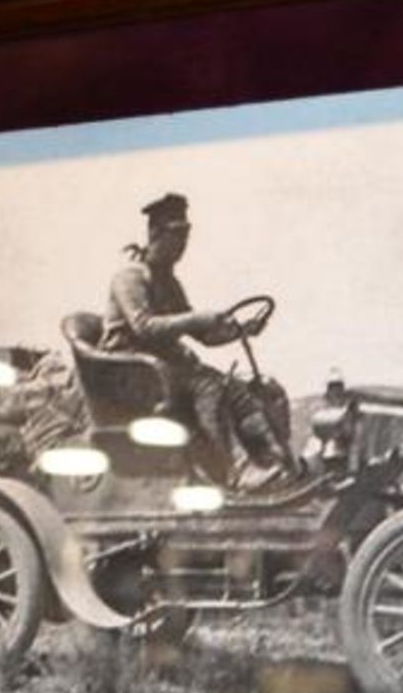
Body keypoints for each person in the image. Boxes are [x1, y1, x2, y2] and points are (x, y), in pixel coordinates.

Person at [101, 193, 293, 490]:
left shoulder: (169, 282)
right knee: (209, 387)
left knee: (236, 388)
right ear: (155, 234)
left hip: (163, 370)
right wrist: (198, 319)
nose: (182, 246)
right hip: (131, 373)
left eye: (185, 237)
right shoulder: (130, 277)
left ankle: (274, 460)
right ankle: (232, 473)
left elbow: (203, 335)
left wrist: (241, 330)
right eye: (176, 236)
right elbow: (144, 327)